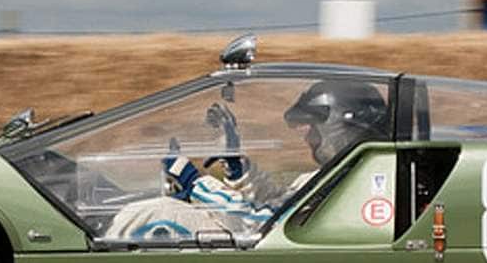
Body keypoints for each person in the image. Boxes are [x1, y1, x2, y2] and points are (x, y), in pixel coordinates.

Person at [105, 80, 389, 241]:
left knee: (159, 213)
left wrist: (194, 184)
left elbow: (264, 224)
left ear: (343, 126)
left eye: (314, 127)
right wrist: (237, 167)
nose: (307, 136)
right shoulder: (343, 175)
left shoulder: (350, 185)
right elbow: (279, 201)